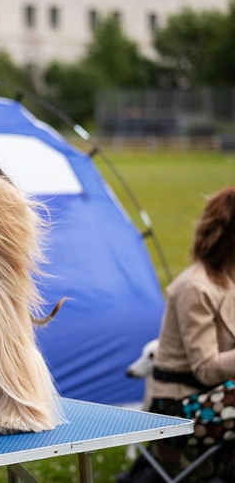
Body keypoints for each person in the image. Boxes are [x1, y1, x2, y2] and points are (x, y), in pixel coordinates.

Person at [120, 186, 235, 483]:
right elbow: (207, 369)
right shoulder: (194, 288)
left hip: (216, 397)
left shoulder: (230, 280)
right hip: (178, 408)